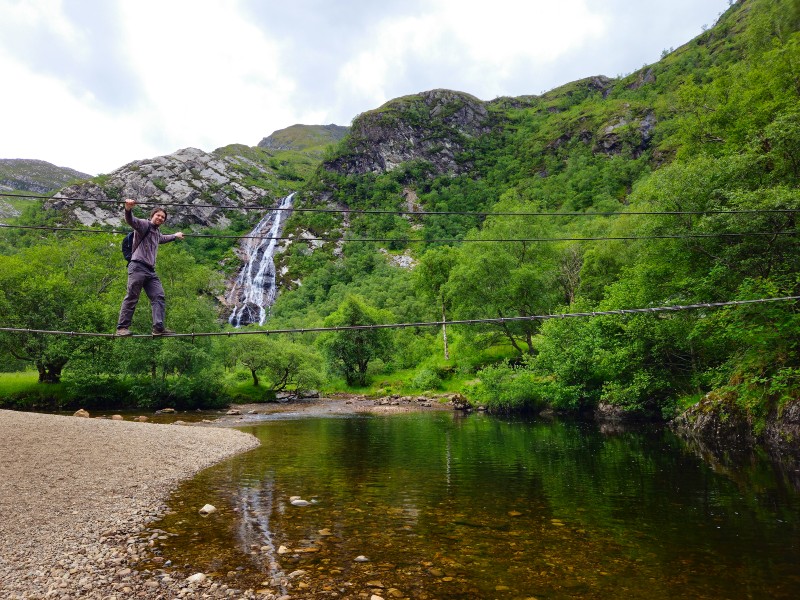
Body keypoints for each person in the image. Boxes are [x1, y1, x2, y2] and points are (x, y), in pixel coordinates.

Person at [115, 199, 184, 336]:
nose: (160, 218)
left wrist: (175, 236)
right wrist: (128, 209)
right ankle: (122, 328)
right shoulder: (143, 224)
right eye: (158, 215)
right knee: (132, 296)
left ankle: (158, 328)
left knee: (159, 296)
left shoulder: (157, 233)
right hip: (138, 266)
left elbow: (163, 239)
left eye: (163, 217)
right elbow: (131, 220)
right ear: (152, 215)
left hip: (150, 271)